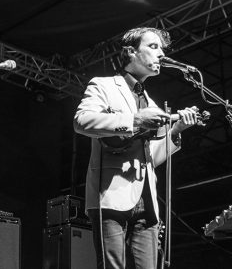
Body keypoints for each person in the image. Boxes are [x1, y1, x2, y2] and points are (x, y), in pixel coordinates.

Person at [73, 27, 199, 269]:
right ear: (131, 52)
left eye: (162, 48)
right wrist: (135, 121)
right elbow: (81, 121)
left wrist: (177, 130)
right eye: (153, 47)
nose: (161, 53)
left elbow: (151, 158)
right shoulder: (104, 85)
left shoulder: (150, 102)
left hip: (147, 200)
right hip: (110, 194)